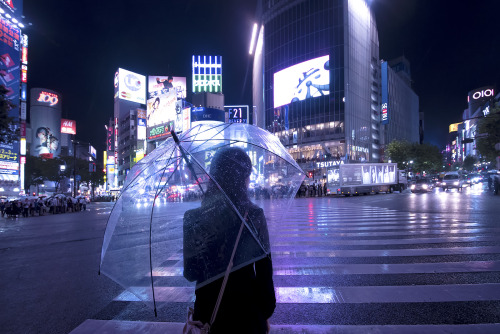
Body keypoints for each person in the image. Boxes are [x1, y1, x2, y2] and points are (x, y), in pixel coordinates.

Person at [183, 147, 276, 334]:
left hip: (209, 314)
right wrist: (263, 313)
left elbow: (191, 272)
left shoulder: (193, 218)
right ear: (243, 179)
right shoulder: (254, 216)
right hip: (248, 315)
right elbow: (264, 275)